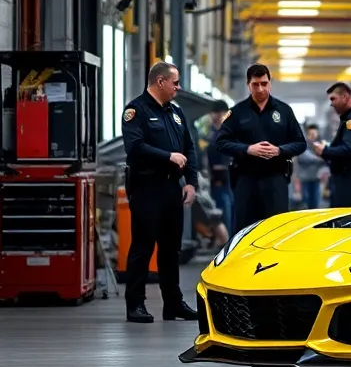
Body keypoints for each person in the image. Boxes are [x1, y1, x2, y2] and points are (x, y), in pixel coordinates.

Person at [120, 61, 199, 324]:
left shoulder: (175, 113)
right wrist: (167, 157)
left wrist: (191, 182)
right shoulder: (136, 111)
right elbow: (135, 147)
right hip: (147, 188)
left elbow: (189, 148)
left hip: (171, 189)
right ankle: (135, 305)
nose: (178, 87)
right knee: (142, 247)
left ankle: (173, 304)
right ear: (160, 82)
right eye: (175, 83)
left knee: (170, 250)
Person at [213, 64, 307, 231]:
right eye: (255, 84)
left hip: (276, 179)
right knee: (244, 229)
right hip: (245, 179)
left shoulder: (284, 111)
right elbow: (221, 142)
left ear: (270, 83)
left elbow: (300, 143)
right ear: (248, 84)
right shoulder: (237, 113)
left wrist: (279, 150)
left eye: (264, 83)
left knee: (277, 229)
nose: (260, 89)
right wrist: (247, 149)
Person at [313, 82, 351, 207]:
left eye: (333, 99)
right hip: (348, 178)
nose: (331, 103)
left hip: (350, 180)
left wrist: (325, 151)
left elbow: (349, 150)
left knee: (345, 221)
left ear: (345, 97)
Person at [203, 101, 233, 234]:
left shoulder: (224, 132)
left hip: (222, 179)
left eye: (213, 112)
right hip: (219, 178)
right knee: (224, 207)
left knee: (224, 209)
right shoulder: (213, 132)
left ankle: (228, 242)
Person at [294, 124, 325, 209]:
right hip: (305, 178)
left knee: (315, 202)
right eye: (311, 134)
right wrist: (320, 157)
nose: (313, 136)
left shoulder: (319, 145)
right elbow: (304, 157)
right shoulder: (303, 145)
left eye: (315, 134)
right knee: (305, 202)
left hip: (316, 177)